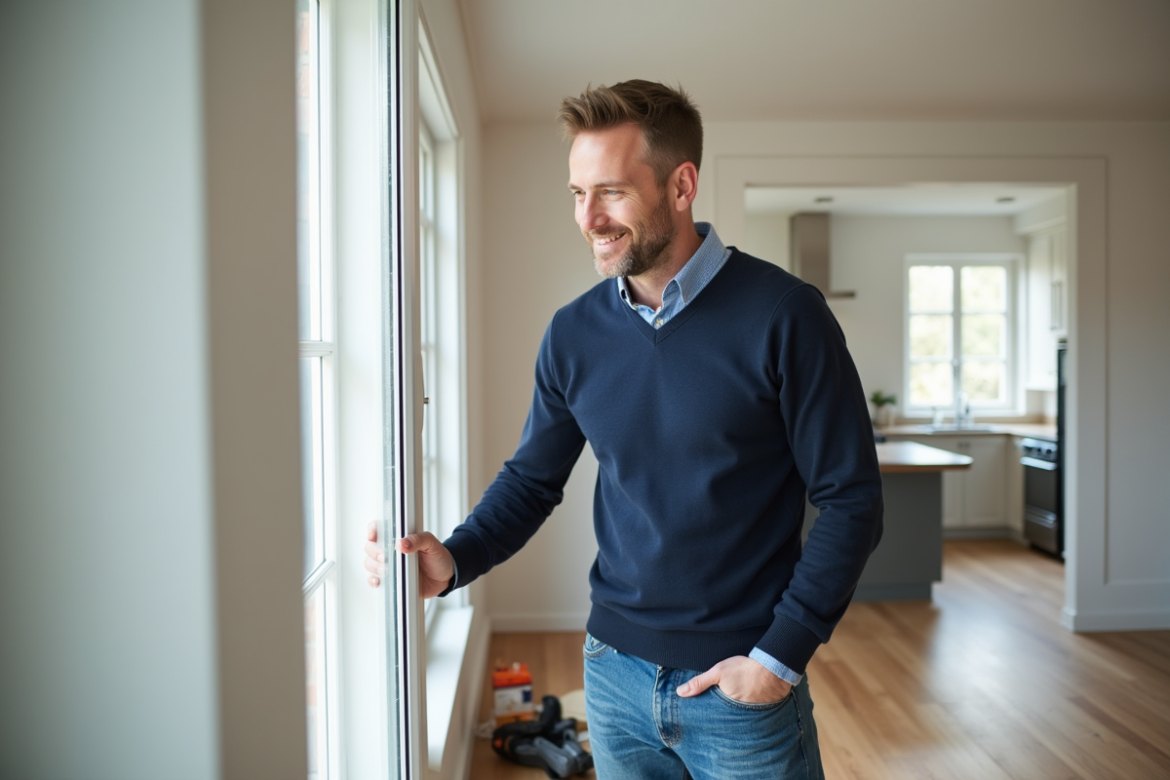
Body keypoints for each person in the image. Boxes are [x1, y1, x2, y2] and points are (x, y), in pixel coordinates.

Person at [366, 79, 883, 780]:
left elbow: (852, 498)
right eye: (578, 194)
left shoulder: (785, 316)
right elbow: (530, 481)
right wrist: (455, 560)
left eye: (610, 191)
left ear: (681, 185)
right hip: (613, 680)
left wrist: (778, 657)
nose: (589, 218)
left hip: (740, 688)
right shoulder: (573, 334)